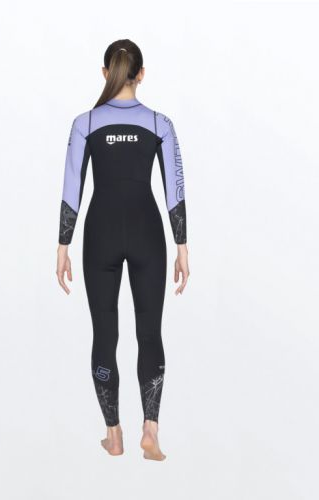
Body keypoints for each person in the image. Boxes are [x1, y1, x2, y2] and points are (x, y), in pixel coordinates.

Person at [56, 39, 190, 461]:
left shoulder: (85, 123)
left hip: (100, 235)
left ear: (105, 73)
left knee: (105, 334)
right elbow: (175, 189)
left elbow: (72, 189)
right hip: (149, 233)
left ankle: (114, 435)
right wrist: (182, 246)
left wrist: (62, 245)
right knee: (150, 333)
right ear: (142, 74)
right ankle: (151, 429)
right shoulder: (160, 123)